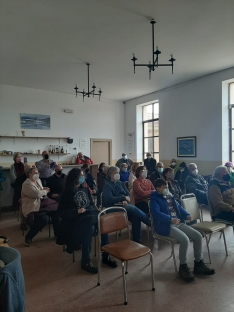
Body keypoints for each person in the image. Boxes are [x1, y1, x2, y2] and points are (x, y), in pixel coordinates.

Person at [151, 178, 215, 282]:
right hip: (165, 225)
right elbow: (156, 214)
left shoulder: (169, 196)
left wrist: (186, 214)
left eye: (167, 186)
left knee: (197, 236)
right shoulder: (154, 199)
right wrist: (170, 219)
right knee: (184, 240)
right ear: (158, 189)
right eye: (164, 187)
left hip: (178, 223)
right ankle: (183, 266)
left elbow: (179, 207)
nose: (167, 188)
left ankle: (199, 263)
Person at [57, 168, 117, 274]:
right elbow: (61, 212)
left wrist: (92, 210)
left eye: (83, 175)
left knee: (103, 224)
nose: (83, 177)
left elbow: (90, 205)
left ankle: (106, 255)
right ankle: (85, 261)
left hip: (88, 216)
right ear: (74, 178)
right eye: (80, 175)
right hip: (75, 221)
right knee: (90, 228)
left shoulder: (84, 188)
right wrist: (76, 211)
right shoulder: (67, 193)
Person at [103, 166, 151, 243]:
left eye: (118, 172)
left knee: (136, 218)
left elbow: (128, 195)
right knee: (132, 208)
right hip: (112, 208)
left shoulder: (121, 183)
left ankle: (137, 241)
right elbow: (109, 199)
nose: (118, 174)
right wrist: (122, 197)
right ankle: (149, 223)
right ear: (110, 174)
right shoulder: (107, 185)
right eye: (115, 173)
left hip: (123, 206)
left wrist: (125, 200)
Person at [21, 167, 60, 246]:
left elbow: (40, 191)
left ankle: (58, 234)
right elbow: (37, 194)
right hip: (33, 206)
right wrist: (44, 191)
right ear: (29, 174)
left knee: (57, 213)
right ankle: (28, 237)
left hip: (43, 203)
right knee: (43, 219)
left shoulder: (38, 180)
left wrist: (43, 189)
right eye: (35, 173)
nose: (37, 174)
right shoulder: (26, 184)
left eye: (37, 173)